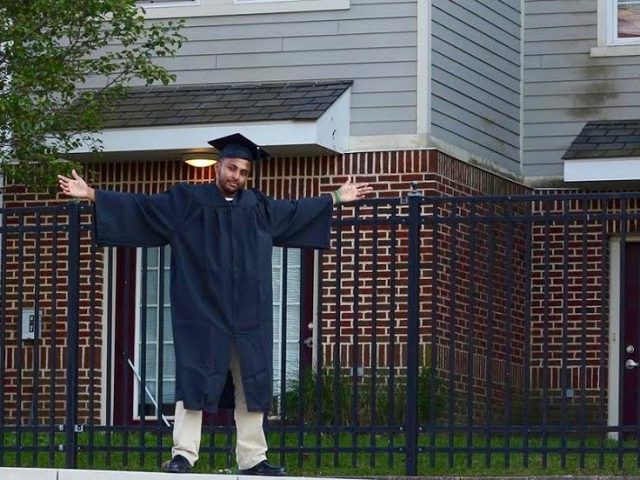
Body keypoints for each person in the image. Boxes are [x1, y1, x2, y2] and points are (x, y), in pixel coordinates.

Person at [58, 133, 373, 475]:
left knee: (252, 383)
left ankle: (253, 459)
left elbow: (297, 212)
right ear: (218, 166)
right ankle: (183, 455)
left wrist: (337, 197)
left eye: (243, 171)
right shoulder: (187, 202)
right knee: (193, 378)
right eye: (232, 167)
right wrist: (91, 194)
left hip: (249, 315)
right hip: (202, 312)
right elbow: (143, 208)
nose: (236, 175)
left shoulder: (259, 208)